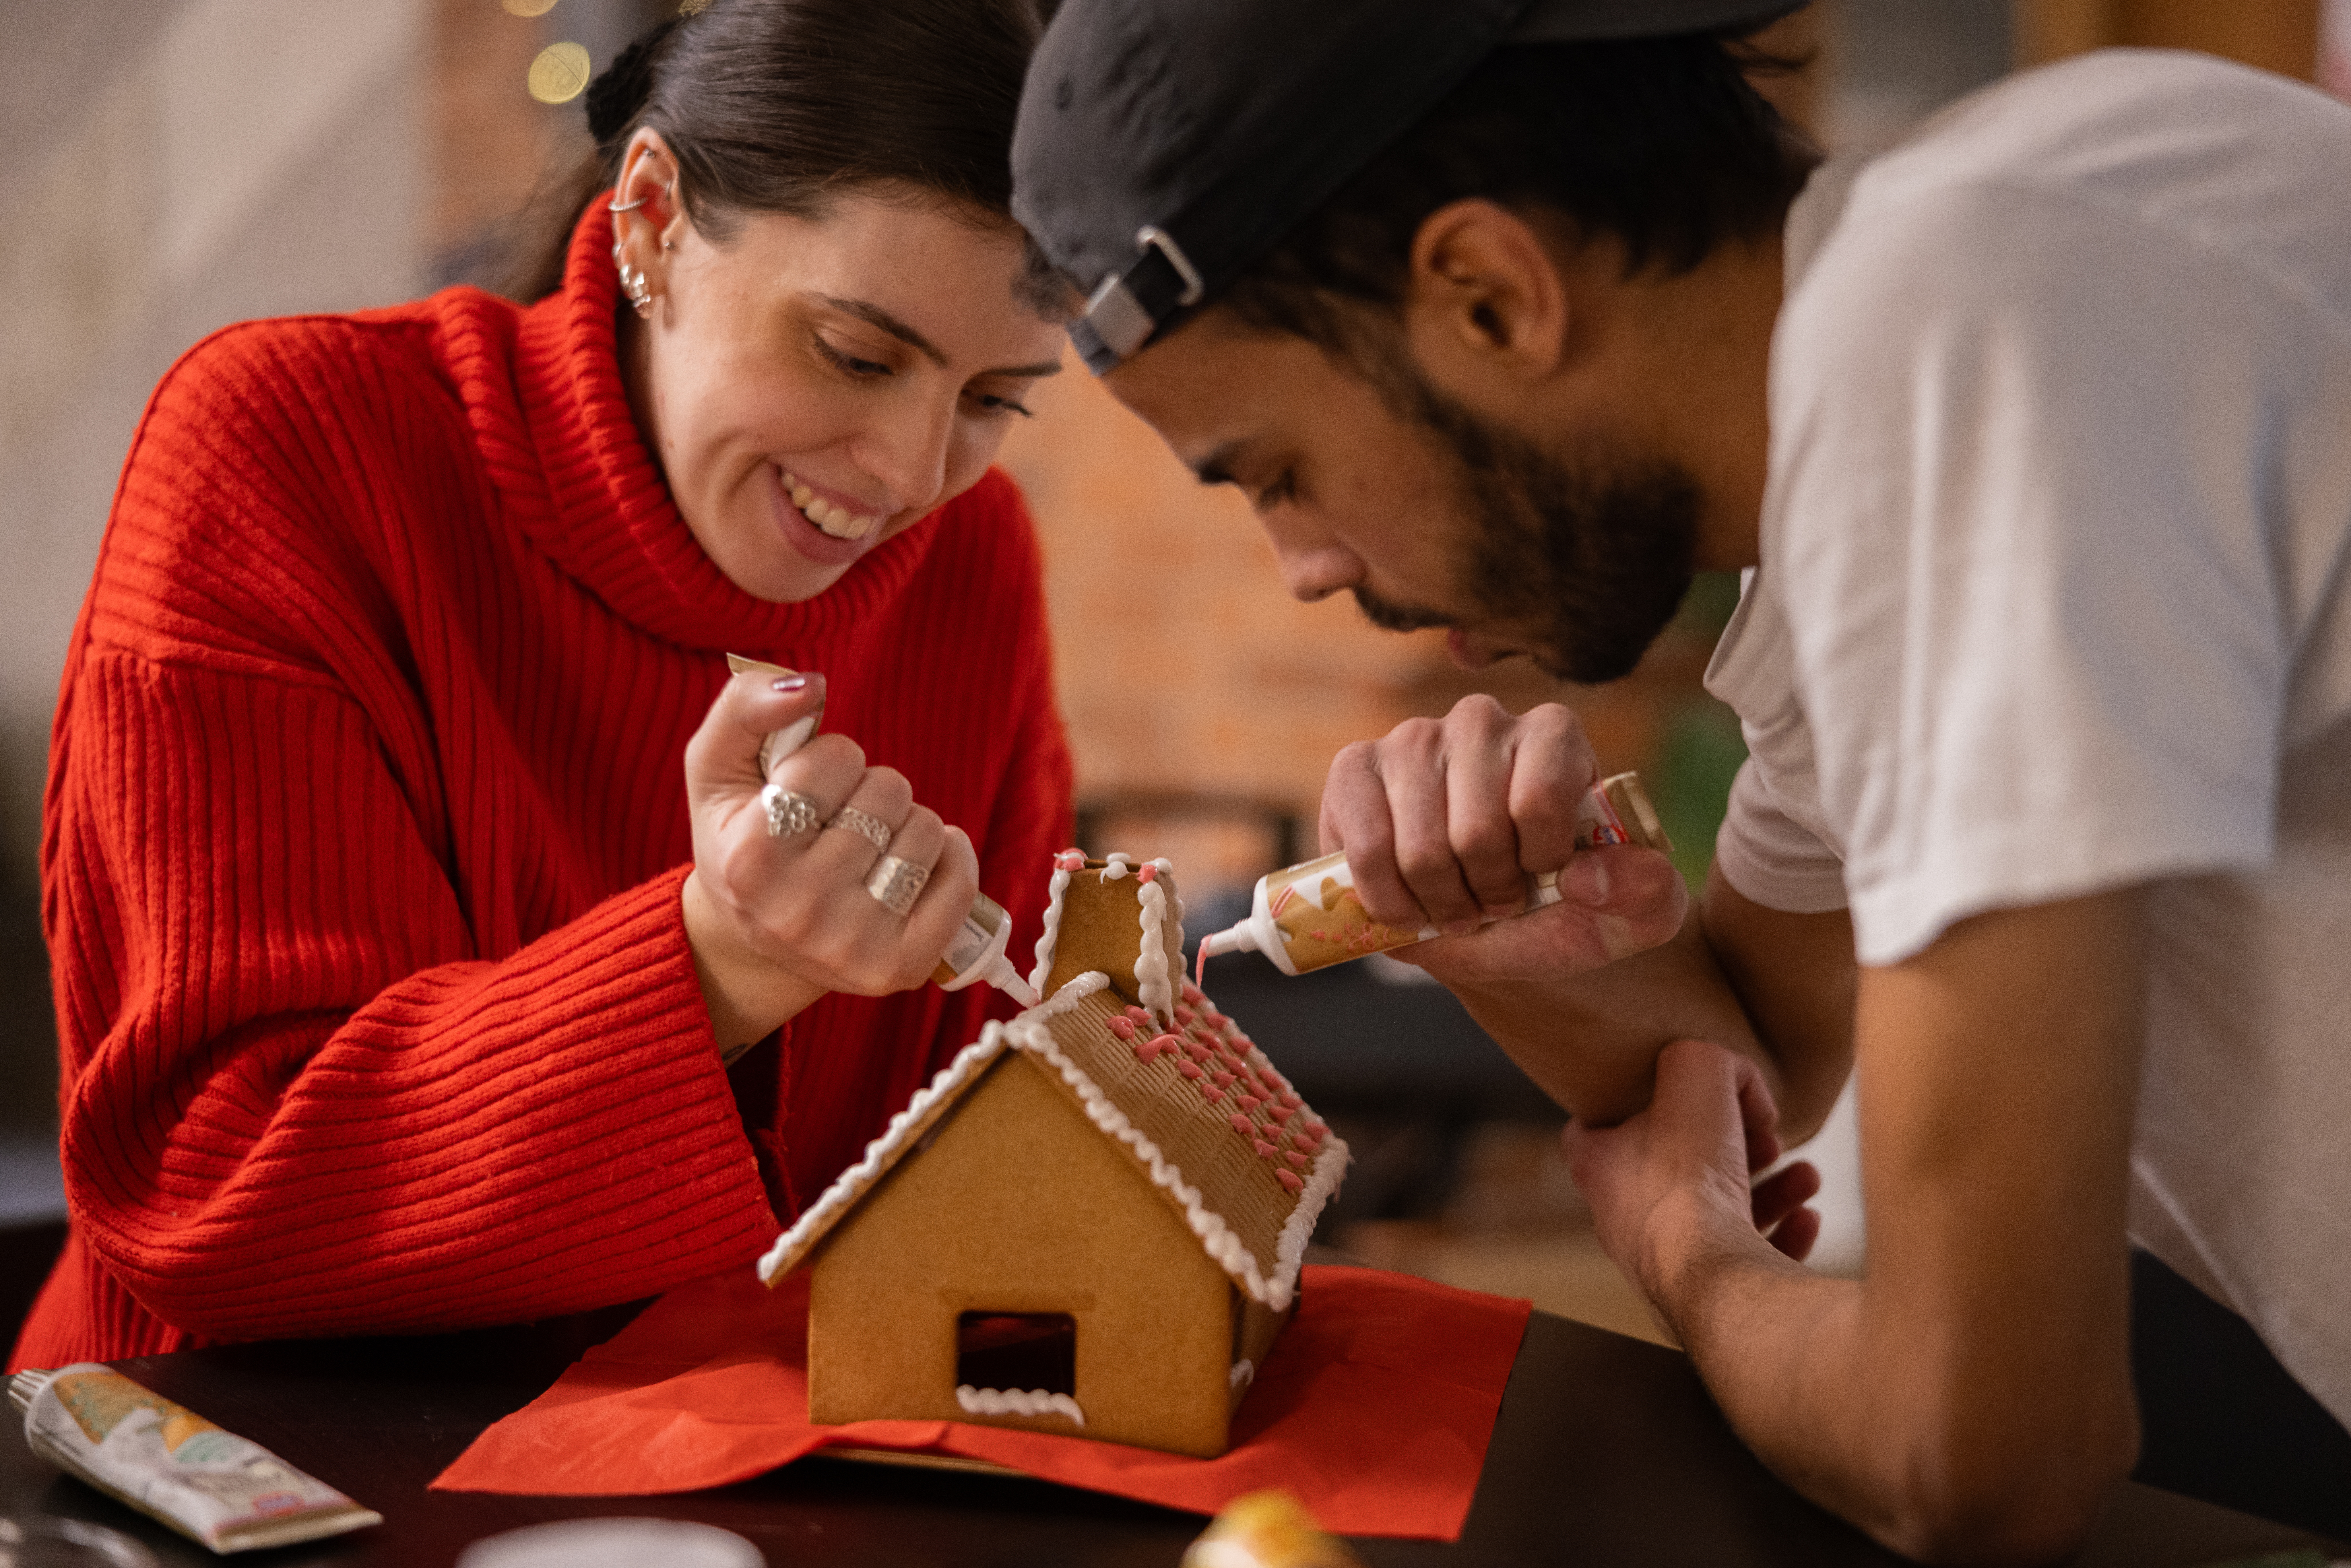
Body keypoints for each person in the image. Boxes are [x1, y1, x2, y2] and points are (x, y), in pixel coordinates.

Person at [1010, 0, 2351, 1557]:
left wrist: (1692, 1260)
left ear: (1491, 297)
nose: (1306, 570)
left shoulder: (1966, 351)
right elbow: (1762, 1061)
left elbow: (1978, 1442)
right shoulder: (1906, 376)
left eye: (1281, 470)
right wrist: (1483, 933)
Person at [11, 0, 1074, 1372]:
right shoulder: (284, 455)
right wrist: (717, 965)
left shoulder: (968, 562)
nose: (910, 472)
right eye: (856, 356)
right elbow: (213, 1193)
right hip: (258, 1473)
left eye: (997, 398)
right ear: (650, 223)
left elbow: (1005, 1106)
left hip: (745, 1476)